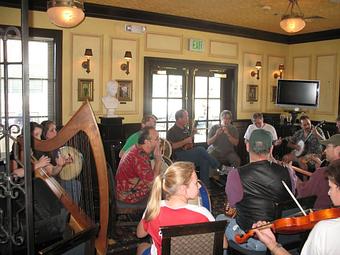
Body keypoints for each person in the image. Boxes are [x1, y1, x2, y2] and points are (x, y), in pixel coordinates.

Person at [224, 129, 292, 252]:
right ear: (271, 149)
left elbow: (232, 207)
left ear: (247, 146)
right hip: (282, 237)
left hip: (251, 238)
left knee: (219, 220)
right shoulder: (289, 172)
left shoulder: (235, 175)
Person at [253, 160, 340, 255]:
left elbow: (303, 192)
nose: (328, 192)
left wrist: (273, 245)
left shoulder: (325, 230)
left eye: (330, 187)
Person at [136, 161, 215, 255]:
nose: (199, 186)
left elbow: (140, 234)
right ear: (182, 189)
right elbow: (223, 244)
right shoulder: (202, 213)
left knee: (142, 247)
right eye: (196, 183)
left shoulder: (153, 208)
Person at [166, 109, 219, 187]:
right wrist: (185, 141)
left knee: (204, 161)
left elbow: (189, 145)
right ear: (179, 119)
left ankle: (205, 188)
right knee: (201, 149)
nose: (188, 118)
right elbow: (171, 146)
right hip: (178, 156)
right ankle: (218, 166)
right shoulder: (171, 131)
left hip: (187, 153)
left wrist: (191, 138)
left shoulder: (185, 129)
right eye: (186, 117)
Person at [115, 126, 162, 203]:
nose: (159, 141)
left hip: (127, 190)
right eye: (157, 139)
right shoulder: (139, 157)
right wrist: (158, 161)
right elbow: (153, 184)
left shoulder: (137, 148)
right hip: (128, 196)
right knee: (164, 188)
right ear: (147, 142)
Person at [294, 134, 340, 209]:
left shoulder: (323, 173)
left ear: (338, 149)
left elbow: (302, 193)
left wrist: (292, 175)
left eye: (327, 147)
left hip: (319, 216)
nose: (325, 150)